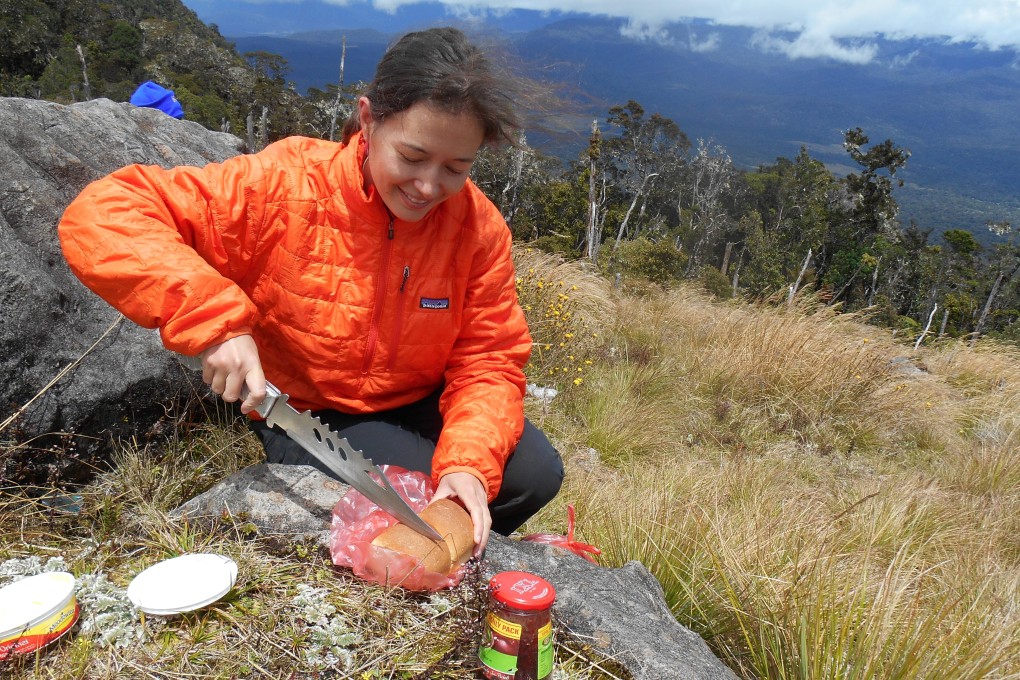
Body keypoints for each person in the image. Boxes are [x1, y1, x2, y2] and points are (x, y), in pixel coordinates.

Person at [58, 27, 563, 556]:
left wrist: (467, 465)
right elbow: (106, 211)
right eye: (412, 157)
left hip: (421, 396)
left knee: (532, 473)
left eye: (456, 168)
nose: (429, 187)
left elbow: (488, 358)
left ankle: (436, 548)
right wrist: (214, 322)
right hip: (309, 410)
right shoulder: (285, 185)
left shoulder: (475, 226)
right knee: (409, 489)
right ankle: (418, 553)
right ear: (368, 120)